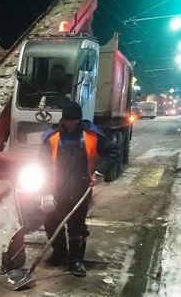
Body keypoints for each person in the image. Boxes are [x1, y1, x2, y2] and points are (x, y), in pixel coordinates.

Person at [39, 101, 119, 277]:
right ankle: (60, 252)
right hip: (56, 188)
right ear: (63, 119)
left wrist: (100, 172)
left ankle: (76, 261)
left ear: (79, 120)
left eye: (73, 121)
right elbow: (43, 165)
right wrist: (45, 192)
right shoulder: (52, 136)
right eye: (67, 120)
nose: (69, 124)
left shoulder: (91, 135)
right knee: (51, 222)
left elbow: (113, 151)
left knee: (76, 226)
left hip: (80, 187)